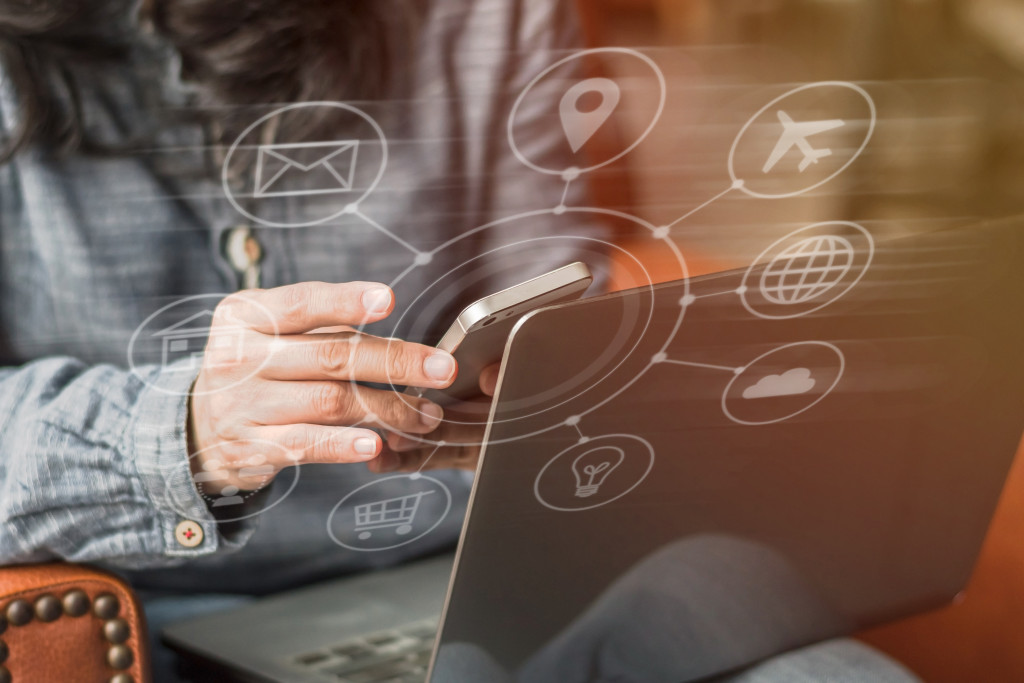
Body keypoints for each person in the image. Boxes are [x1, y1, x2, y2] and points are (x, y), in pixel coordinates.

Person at [0, 0, 919, 680]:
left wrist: (561, 401)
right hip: (140, 601)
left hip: (462, 568)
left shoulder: (485, 15)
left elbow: (557, 311)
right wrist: (187, 430)